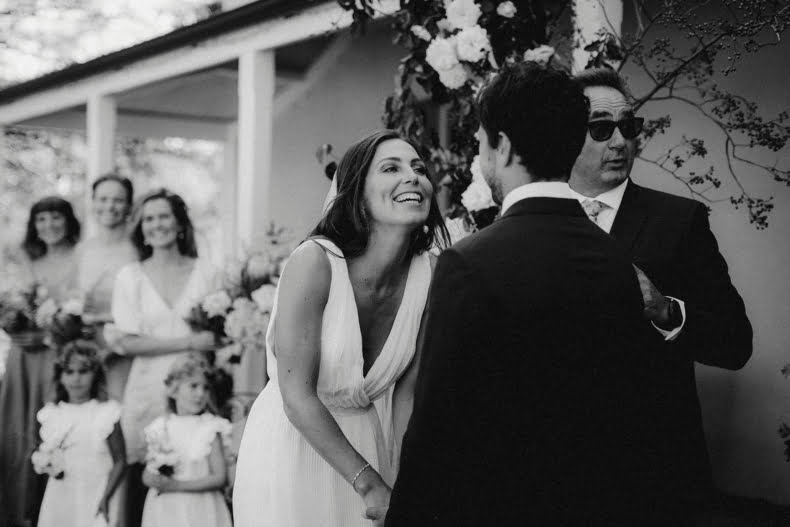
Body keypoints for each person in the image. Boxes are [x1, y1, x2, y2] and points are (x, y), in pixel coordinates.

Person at [385, 63, 667, 526]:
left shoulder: (469, 263)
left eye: (481, 142)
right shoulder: (615, 258)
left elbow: (437, 425)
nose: (481, 156)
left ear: (504, 146)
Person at [233, 130, 449, 527]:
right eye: (391, 168)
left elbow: (408, 395)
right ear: (357, 195)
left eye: (419, 168)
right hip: (294, 445)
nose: (413, 177)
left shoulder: (430, 273)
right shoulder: (314, 262)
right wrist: (369, 483)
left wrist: (405, 483)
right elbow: (296, 394)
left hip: (370, 443)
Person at [568, 67, 753, 521]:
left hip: (652, 469)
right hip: (559, 467)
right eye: (601, 129)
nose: (620, 142)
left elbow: (736, 342)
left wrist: (666, 310)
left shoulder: (680, 221)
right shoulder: (534, 219)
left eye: (628, 127)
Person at [106, 189, 219, 527]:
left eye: (164, 216)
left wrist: (207, 343)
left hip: (196, 390)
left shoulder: (207, 272)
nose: (157, 224)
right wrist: (190, 341)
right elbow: (127, 343)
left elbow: (218, 336)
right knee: (144, 479)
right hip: (146, 391)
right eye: (149, 219)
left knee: (196, 469)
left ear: (180, 223)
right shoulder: (130, 277)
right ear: (141, 228)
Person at [0, 196, 81, 527]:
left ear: (69, 221)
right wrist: (12, 323)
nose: (49, 225)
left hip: (57, 356)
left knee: (53, 430)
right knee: (18, 432)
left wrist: (50, 332)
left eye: (56, 217)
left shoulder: (81, 258)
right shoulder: (27, 262)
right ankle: (18, 514)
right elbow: (12, 309)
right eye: (42, 219)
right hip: (23, 358)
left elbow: (80, 314)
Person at [34, 340, 126, 527]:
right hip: (62, 494)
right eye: (69, 372)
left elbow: (120, 461)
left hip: (98, 492)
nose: (76, 379)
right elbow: (46, 455)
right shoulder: (52, 414)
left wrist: (106, 497)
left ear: (95, 375)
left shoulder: (106, 412)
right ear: (60, 376)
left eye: (83, 372)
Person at [140, 354, 232, 527]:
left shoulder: (210, 426)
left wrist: (177, 486)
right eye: (193, 386)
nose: (200, 394)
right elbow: (149, 470)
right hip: (166, 508)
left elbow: (219, 477)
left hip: (199, 507)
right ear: (174, 390)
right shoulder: (160, 427)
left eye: (206, 388)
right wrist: (152, 479)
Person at [78, 174, 138, 402]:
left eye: (118, 200)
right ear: (93, 202)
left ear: (129, 206)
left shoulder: (138, 250)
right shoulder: (83, 250)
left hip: (124, 349)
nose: (109, 206)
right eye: (102, 199)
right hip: (86, 349)